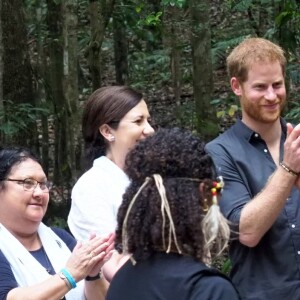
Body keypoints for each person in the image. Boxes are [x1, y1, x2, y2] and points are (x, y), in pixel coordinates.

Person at [205, 37, 300, 299]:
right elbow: (245, 231)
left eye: (277, 85)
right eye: (260, 87)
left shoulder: (296, 139)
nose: (272, 96)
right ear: (237, 86)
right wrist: (289, 169)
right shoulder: (217, 152)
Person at [105, 127, 240, 300]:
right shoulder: (208, 289)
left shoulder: (122, 280)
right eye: (216, 190)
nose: (218, 198)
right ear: (203, 194)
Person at [0, 147, 114, 300]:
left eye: (43, 184)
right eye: (27, 183)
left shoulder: (59, 237)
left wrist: (93, 275)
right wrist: (70, 274)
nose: (39, 193)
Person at [67, 86, 154, 241]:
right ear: (107, 131)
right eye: (138, 121)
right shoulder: (91, 188)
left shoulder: (149, 178)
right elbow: (110, 258)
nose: (149, 129)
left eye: (148, 120)